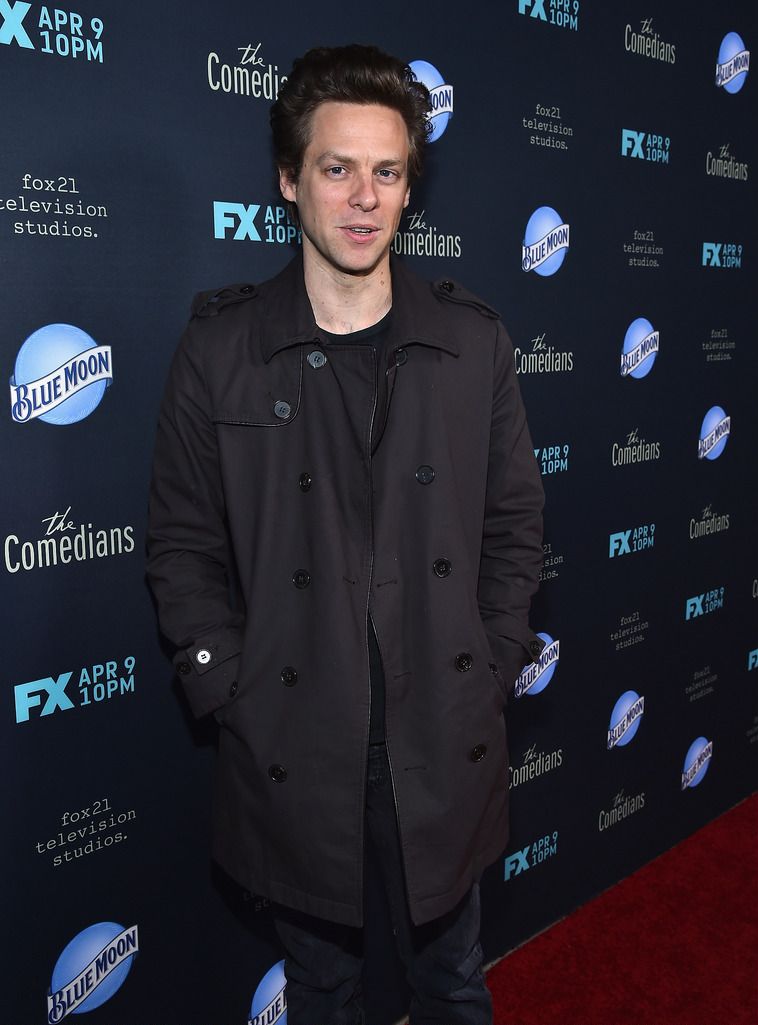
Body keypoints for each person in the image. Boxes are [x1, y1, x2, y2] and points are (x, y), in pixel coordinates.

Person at [147, 43, 545, 1025]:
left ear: (410, 188)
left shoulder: (473, 343)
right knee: (323, 992)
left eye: (386, 171)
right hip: (293, 741)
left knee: (450, 982)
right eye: (336, 168)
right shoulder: (219, 350)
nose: (362, 198)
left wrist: (488, 665)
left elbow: (514, 523)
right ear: (288, 180)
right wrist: (231, 687)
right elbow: (182, 541)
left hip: (439, 734)